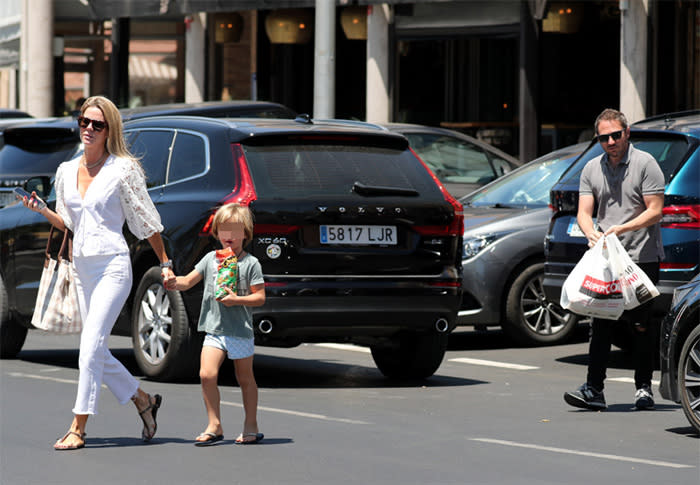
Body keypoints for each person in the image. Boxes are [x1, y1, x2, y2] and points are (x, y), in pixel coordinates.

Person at [20, 95, 175, 450]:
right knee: (97, 350)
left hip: (112, 267)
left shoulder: (122, 169)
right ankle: (142, 399)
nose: (89, 129)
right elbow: (69, 224)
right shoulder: (65, 171)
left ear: (110, 131)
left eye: (98, 124)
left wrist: (164, 261)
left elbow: (147, 221)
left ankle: (78, 426)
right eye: (84, 122)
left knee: (89, 348)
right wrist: (42, 210)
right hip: (81, 268)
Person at [564, 108, 665, 411]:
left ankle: (644, 389)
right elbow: (584, 211)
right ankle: (594, 389)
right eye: (604, 137)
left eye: (615, 135)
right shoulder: (592, 168)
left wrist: (623, 227)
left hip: (641, 258)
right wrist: (590, 232)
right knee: (601, 322)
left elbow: (655, 209)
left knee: (642, 325)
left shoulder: (646, 164)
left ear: (626, 133)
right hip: (607, 260)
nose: (610, 141)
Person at [165, 203, 266, 446]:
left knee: (245, 378)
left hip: (239, 331)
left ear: (246, 233)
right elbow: (189, 281)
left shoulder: (250, 263)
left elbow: (260, 297)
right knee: (207, 374)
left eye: (235, 230)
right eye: (224, 230)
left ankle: (251, 423)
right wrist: (172, 282)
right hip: (214, 330)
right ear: (217, 233)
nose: (229, 236)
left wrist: (237, 300)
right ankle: (214, 424)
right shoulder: (211, 259)